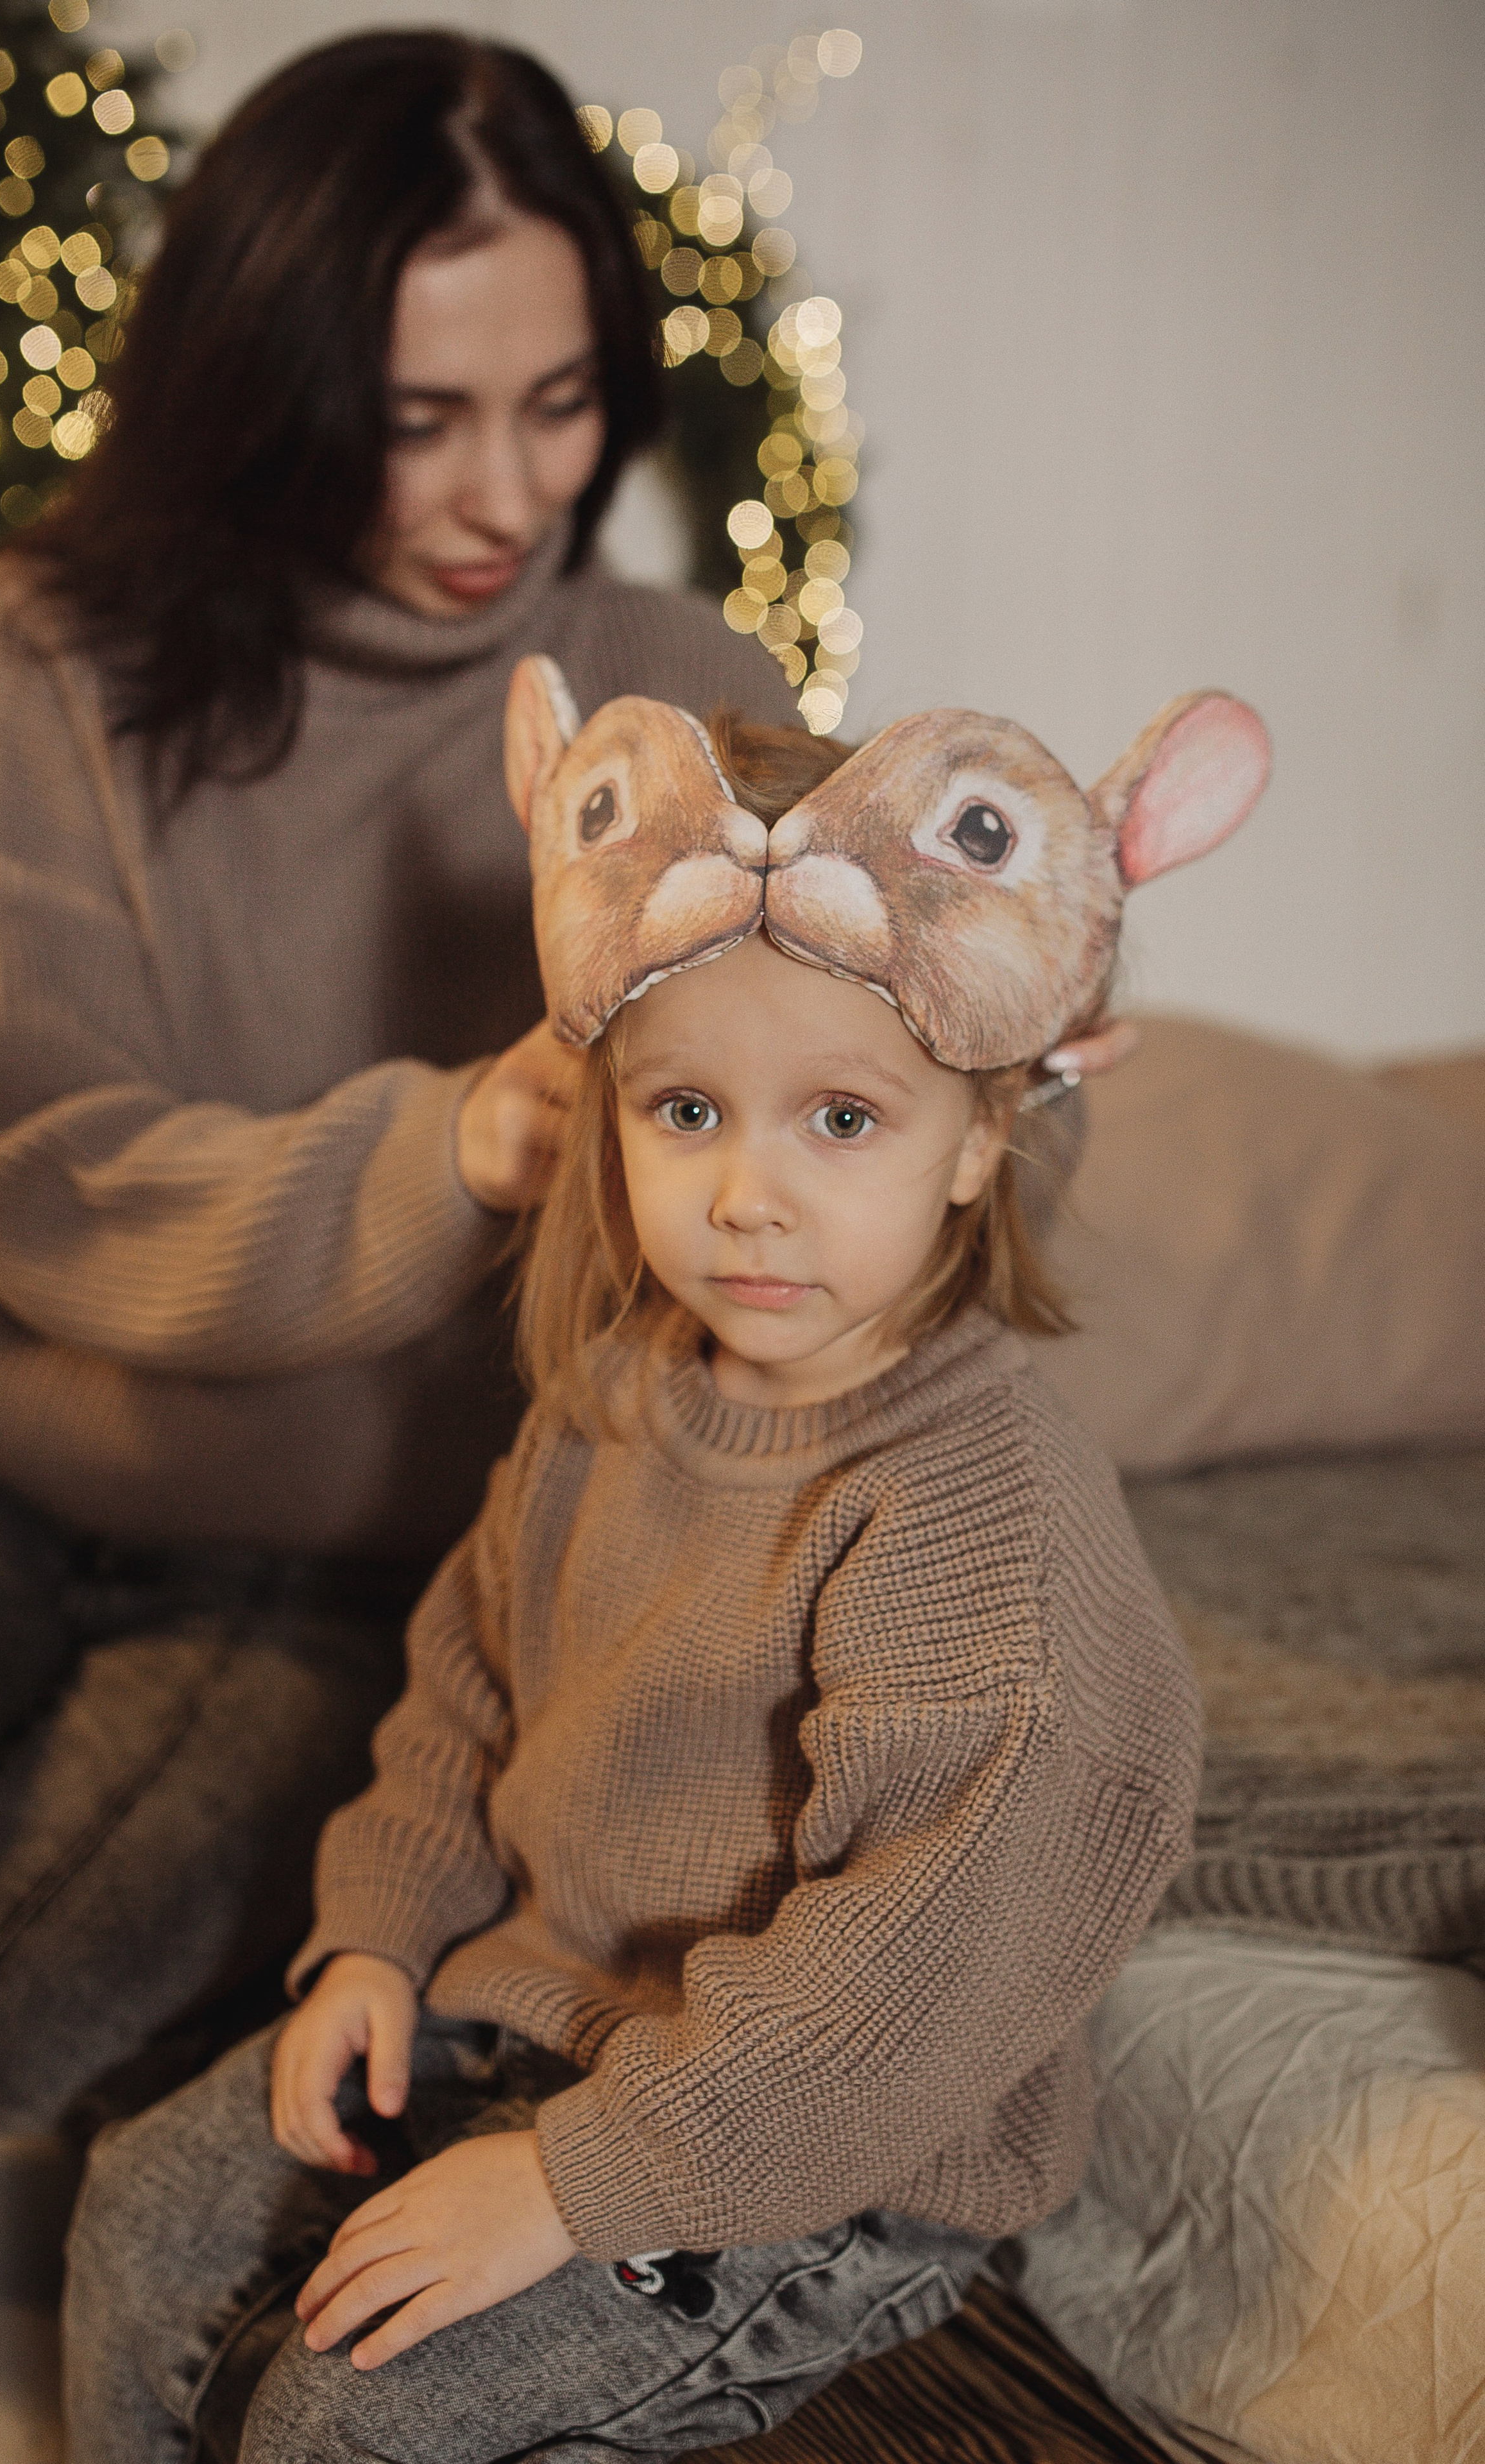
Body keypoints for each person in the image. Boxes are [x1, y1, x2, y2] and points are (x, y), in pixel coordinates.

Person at [60, 685, 1205, 2463]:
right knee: (141, 2213)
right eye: (687, 1110)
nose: (747, 1196)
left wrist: (568, 2183)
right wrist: (376, 1939)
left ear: (981, 1140)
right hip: (542, 2018)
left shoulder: (981, 1522)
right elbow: (468, 1701)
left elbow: (915, 1972)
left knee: (349, 2419)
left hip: (824, 2147)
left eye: (842, 1122)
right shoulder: (611, 1402)